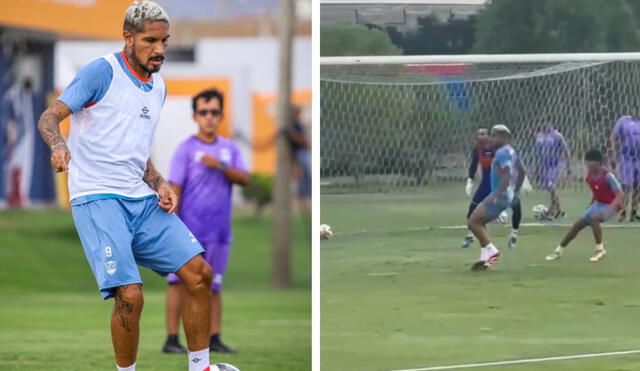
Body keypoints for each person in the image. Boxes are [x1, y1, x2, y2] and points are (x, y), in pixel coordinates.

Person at [36, 2, 227, 370]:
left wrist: (159, 183)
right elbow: (50, 116)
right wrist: (59, 145)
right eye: (150, 40)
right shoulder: (101, 72)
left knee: (199, 275)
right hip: (97, 197)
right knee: (131, 295)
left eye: (165, 41)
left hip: (140, 199)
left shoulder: (158, 87)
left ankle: (201, 367)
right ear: (128, 38)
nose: (159, 50)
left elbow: (136, 153)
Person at [162, 88, 249, 355]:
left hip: (219, 231)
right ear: (195, 116)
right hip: (189, 231)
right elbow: (175, 187)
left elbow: (245, 179)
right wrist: (172, 227)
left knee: (214, 285)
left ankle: (215, 337)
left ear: (221, 115)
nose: (209, 117)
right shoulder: (185, 149)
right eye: (203, 112)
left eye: (214, 112)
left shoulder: (229, 148)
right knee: (178, 283)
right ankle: (172, 339)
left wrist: (221, 166)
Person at [545, 149, 623, 262]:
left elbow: (620, 194)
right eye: (587, 163)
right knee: (579, 224)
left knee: (594, 219)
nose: (588, 166)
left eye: (590, 163)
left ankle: (600, 250)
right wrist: (590, 206)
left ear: (598, 163)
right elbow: (597, 193)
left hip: (613, 205)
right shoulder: (589, 177)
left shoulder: (608, 176)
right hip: (599, 204)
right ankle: (559, 250)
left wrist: (610, 208)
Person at [468, 125, 526, 271]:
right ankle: (484, 259)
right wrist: (516, 191)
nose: (491, 139)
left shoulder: (501, 153)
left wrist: (497, 193)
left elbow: (506, 174)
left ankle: (492, 251)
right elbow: (522, 171)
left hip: (499, 195)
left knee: (473, 222)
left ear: (502, 137)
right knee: (480, 223)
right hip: (507, 195)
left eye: (494, 136)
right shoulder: (512, 151)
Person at [535, 120, 569, 220]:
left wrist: (568, 165)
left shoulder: (557, 136)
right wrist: (537, 167)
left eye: (547, 122)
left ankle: (553, 210)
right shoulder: (539, 136)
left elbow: (565, 150)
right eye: (543, 123)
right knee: (550, 188)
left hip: (555, 165)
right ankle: (558, 210)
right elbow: (538, 152)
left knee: (551, 186)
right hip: (543, 166)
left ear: (551, 123)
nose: (545, 124)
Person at [609, 115, 640, 221]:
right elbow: (613, 138)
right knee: (627, 186)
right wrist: (613, 155)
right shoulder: (624, 120)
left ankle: (634, 212)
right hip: (627, 158)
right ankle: (623, 211)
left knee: (638, 187)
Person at [288, 106, 311, 212]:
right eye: (297, 113)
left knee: (305, 173)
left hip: (301, 151)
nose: (299, 115)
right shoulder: (292, 124)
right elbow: (294, 136)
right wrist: (305, 143)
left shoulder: (298, 123)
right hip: (298, 152)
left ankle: (305, 194)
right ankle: (303, 194)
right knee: (301, 173)